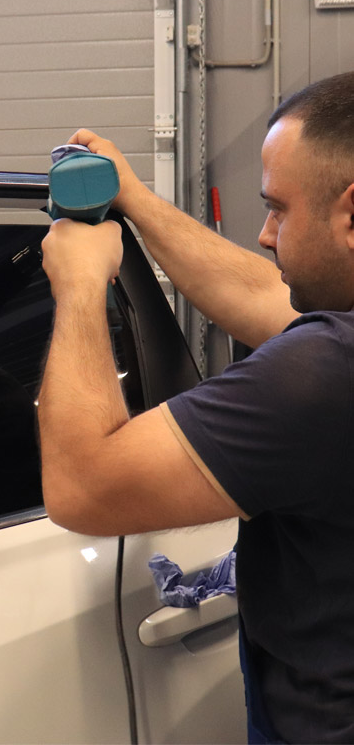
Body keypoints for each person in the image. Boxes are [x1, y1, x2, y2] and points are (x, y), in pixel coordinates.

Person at [37, 71, 354, 744]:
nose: (265, 235)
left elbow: (83, 485)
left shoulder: (324, 373)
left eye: (279, 209)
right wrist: (137, 201)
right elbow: (264, 295)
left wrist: (80, 285)